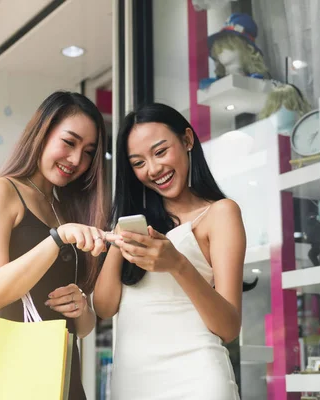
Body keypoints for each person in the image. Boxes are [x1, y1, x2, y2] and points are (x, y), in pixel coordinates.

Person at [95, 103, 246, 399]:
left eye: (160, 152)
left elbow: (228, 327)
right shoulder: (135, 225)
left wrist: (177, 264)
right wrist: (121, 233)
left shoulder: (220, 214)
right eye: (138, 163)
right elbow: (104, 307)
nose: (153, 169)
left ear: (187, 140)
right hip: (132, 383)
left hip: (198, 380)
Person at [0, 91, 109, 400]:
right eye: (69, 142)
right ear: (42, 133)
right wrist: (57, 239)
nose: (77, 160)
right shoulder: (3, 192)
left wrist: (81, 307)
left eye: (88, 152)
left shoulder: (65, 207)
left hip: (62, 376)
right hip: (13, 376)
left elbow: (81, 328)